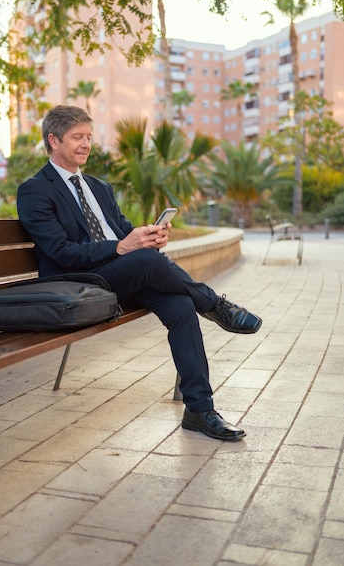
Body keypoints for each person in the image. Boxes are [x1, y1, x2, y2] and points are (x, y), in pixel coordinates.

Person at [17, 105, 262, 442]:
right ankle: (214, 304)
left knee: (178, 305)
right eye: (77, 137)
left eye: (89, 137)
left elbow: (124, 231)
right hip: (79, 282)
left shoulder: (99, 187)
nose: (86, 144)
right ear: (53, 140)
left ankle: (199, 409)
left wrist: (150, 237)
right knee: (148, 263)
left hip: (121, 274)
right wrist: (122, 248)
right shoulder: (34, 190)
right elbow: (60, 252)